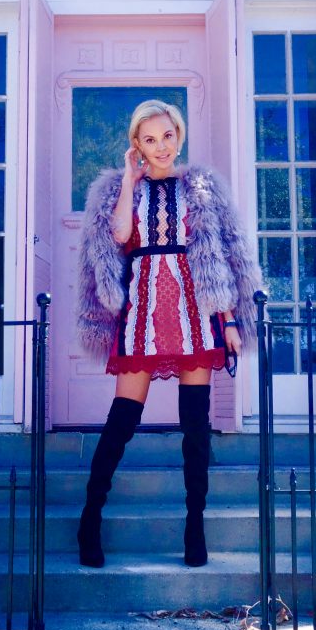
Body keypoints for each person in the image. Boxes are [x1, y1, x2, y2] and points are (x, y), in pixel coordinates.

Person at [75, 99, 262, 568]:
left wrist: (232, 319)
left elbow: (229, 253)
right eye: (149, 139)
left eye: (168, 136)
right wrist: (127, 181)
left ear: (179, 136)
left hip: (196, 310)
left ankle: (194, 527)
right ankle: (89, 520)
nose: (161, 146)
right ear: (136, 145)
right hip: (142, 311)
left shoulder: (201, 187)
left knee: (196, 427)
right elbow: (119, 236)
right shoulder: (125, 190)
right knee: (122, 419)